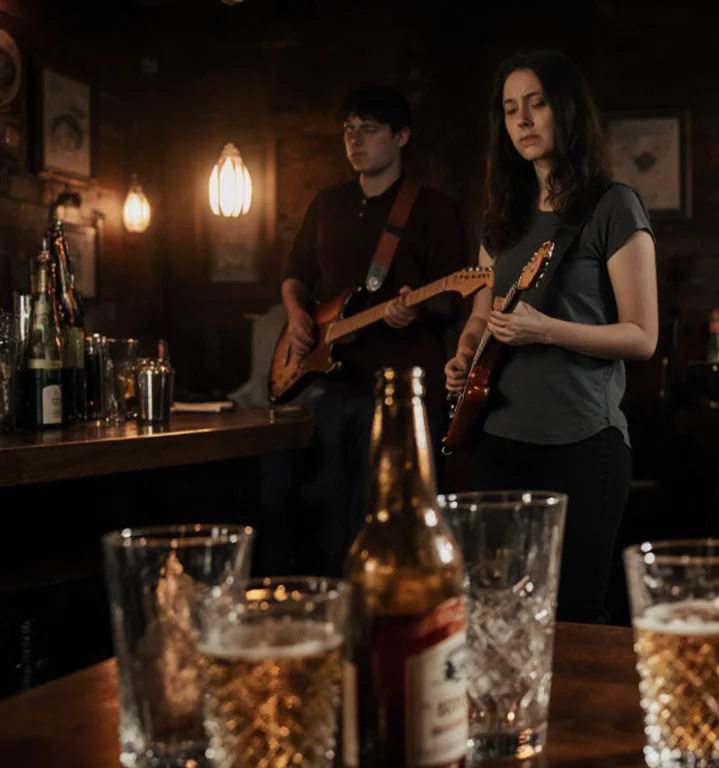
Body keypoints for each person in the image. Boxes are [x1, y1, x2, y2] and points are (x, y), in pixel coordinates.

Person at [445, 50, 659, 625]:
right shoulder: (502, 216)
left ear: (565, 111)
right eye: (511, 109)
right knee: (496, 611)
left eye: (536, 104)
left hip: (582, 442)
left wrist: (546, 330)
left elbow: (643, 337)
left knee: (575, 615)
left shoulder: (614, 205)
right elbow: (479, 317)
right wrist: (464, 355)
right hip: (496, 437)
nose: (522, 120)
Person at [273, 83, 469, 577]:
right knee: (327, 523)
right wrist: (298, 315)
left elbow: (454, 295)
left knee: (395, 523)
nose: (355, 140)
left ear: (401, 136)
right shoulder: (327, 203)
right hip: (331, 389)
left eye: (369, 129)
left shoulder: (431, 208)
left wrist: (416, 311)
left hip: (402, 394)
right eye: (349, 130)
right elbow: (294, 273)